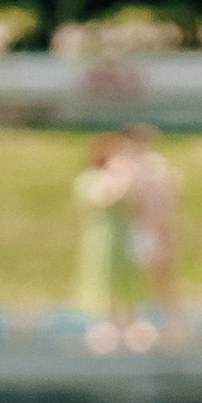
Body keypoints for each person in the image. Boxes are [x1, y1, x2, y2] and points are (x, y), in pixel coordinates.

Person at [72, 135, 136, 352]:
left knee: (124, 278)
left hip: (121, 235)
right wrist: (122, 177)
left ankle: (128, 322)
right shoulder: (90, 179)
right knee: (103, 277)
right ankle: (104, 323)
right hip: (100, 237)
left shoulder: (122, 180)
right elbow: (102, 198)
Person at [122, 126, 185, 337]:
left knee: (162, 276)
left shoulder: (155, 167)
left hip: (153, 227)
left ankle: (173, 321)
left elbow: (163, 201)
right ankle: (133, 322)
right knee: (131, 278)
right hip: (133, 228)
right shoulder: (125, 166)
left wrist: (163, 227)